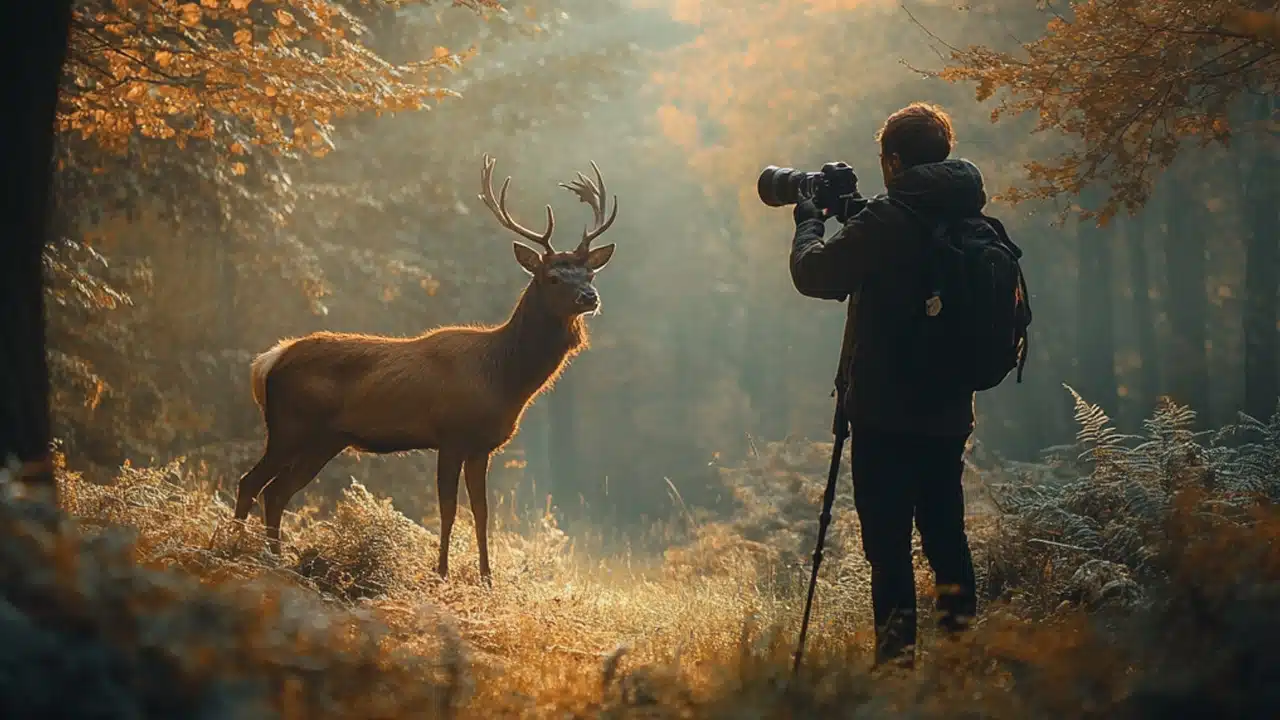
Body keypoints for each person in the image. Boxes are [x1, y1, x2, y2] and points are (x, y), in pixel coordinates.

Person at [788, 101, 980, 669]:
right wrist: (857, 211)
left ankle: (896, 670)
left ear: (893, 160)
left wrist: (809, 224)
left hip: (885, 413)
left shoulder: (890, 219)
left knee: (889, 546)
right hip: (948, 410)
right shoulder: (963, 208)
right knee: (947, 537)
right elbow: (899, 252)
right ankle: (960, 665)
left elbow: (815, 274)